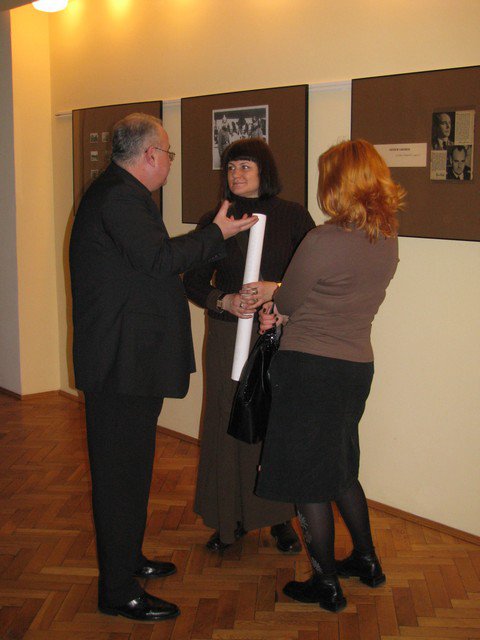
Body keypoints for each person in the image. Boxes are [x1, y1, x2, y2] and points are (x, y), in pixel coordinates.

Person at [69, 113, 257, 622]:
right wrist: (216, 233)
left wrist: (211, 234)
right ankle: (117, 591)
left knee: (131, 472)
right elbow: (158, 260)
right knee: (118, 478)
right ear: (150, 155)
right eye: (169, 152)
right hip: (119, 367)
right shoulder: (118, 198)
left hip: (129, 362)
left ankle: (127, 560)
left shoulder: (123, 194)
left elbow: (147, 261)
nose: (171, 161)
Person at [256, 139, 405, 612]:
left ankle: (326, 584)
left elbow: (288, 301)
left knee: (307, 478)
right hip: (355, 367)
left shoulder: (323, 240)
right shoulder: (387, 238)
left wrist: (275, 296)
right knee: (341, 469)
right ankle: (366, 561)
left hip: (310, 368)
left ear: (338, 184)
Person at [183, 138, 315, 553]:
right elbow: (193, 281)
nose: (236, 174)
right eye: (231, 167)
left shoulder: (293, 217)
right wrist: (224, 301)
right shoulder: (218, 219)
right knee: (228, 423)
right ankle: (230, 517)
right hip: (228, 336)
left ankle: (280, 519)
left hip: (278, 334)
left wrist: (276, 291)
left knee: (273, 425)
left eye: (245, 166)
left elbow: (313, 276)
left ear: (264, 171)